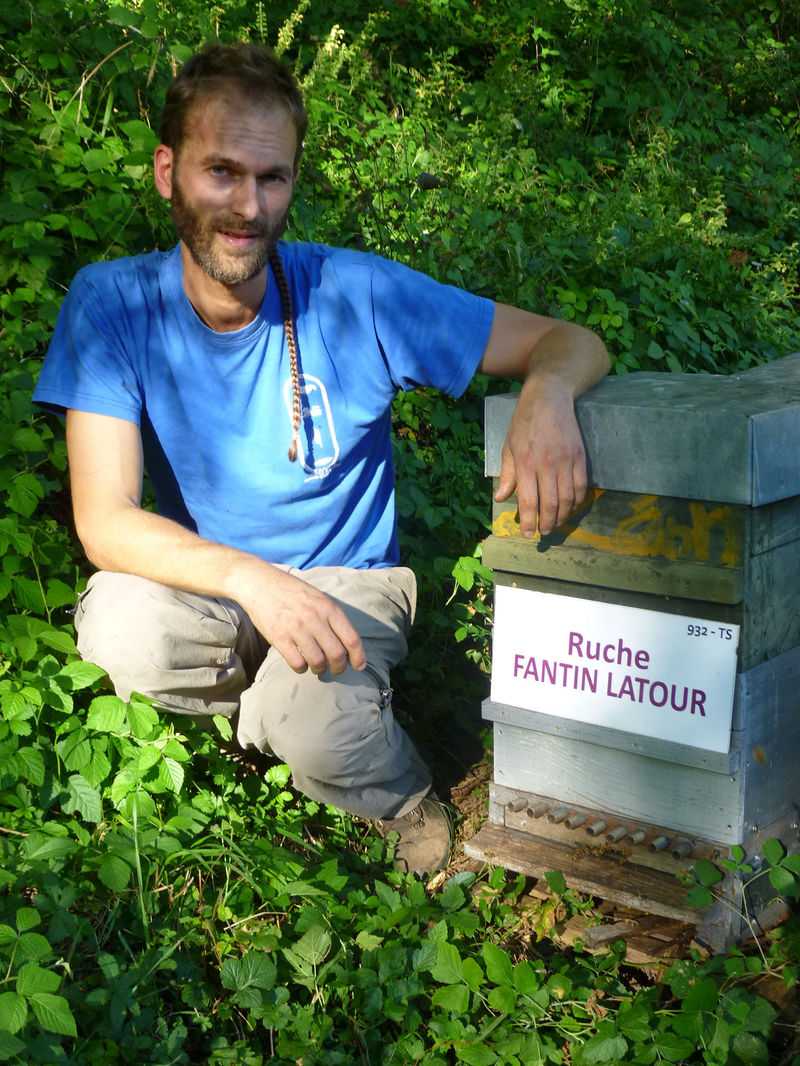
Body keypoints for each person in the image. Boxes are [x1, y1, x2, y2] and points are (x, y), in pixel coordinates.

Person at [33, 41, 610, 876]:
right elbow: (106, 519)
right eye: (221, 172)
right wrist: (255, 582)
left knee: (314, 725)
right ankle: (273, 717)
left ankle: (398, 795)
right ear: (167, 172)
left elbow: (569, 341)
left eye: (273, 179)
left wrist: (548, 396)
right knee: (123, 626)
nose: (248, 207)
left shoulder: (352, 294)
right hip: (217, 586)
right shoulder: (115, 303)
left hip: (347, 582)